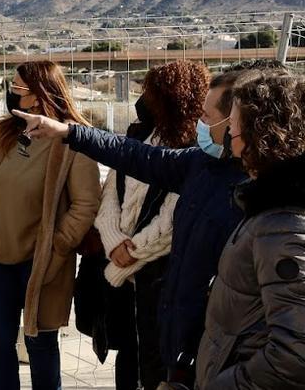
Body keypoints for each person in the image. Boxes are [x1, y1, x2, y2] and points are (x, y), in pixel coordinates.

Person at [13, 60, 278, 386]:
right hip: (183, 341)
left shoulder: (273, 203)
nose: (201, 122)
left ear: (241, 122)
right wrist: (69, 132)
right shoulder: (203, 164)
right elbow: (134, 157)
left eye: (208, 116)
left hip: (222, 354)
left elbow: (294, 335)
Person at [194, 72, 305, 388]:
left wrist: (225, 384)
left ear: (263, 136)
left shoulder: (290, 226)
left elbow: (300, 353)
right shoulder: (289, 209)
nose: (230, 143)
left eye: (234, 131)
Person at [0, 61, 102, 390]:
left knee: (41, 345)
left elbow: (85, 204)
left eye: (17, 87)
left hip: (44, 263)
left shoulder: (74, 141)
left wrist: (58, 246)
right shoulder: (5, 132)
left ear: (37, 96)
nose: (11, 92)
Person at [90, 60, 210, 390]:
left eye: (151, 93)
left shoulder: (195, 149)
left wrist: (132, 254)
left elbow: (173, 220)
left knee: (158, 363)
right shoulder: (139, 135)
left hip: (160, 277)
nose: (143, 99)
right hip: (124, 278)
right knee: (127, 358)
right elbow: (109, 196)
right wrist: (114, 241)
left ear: (171, 97)